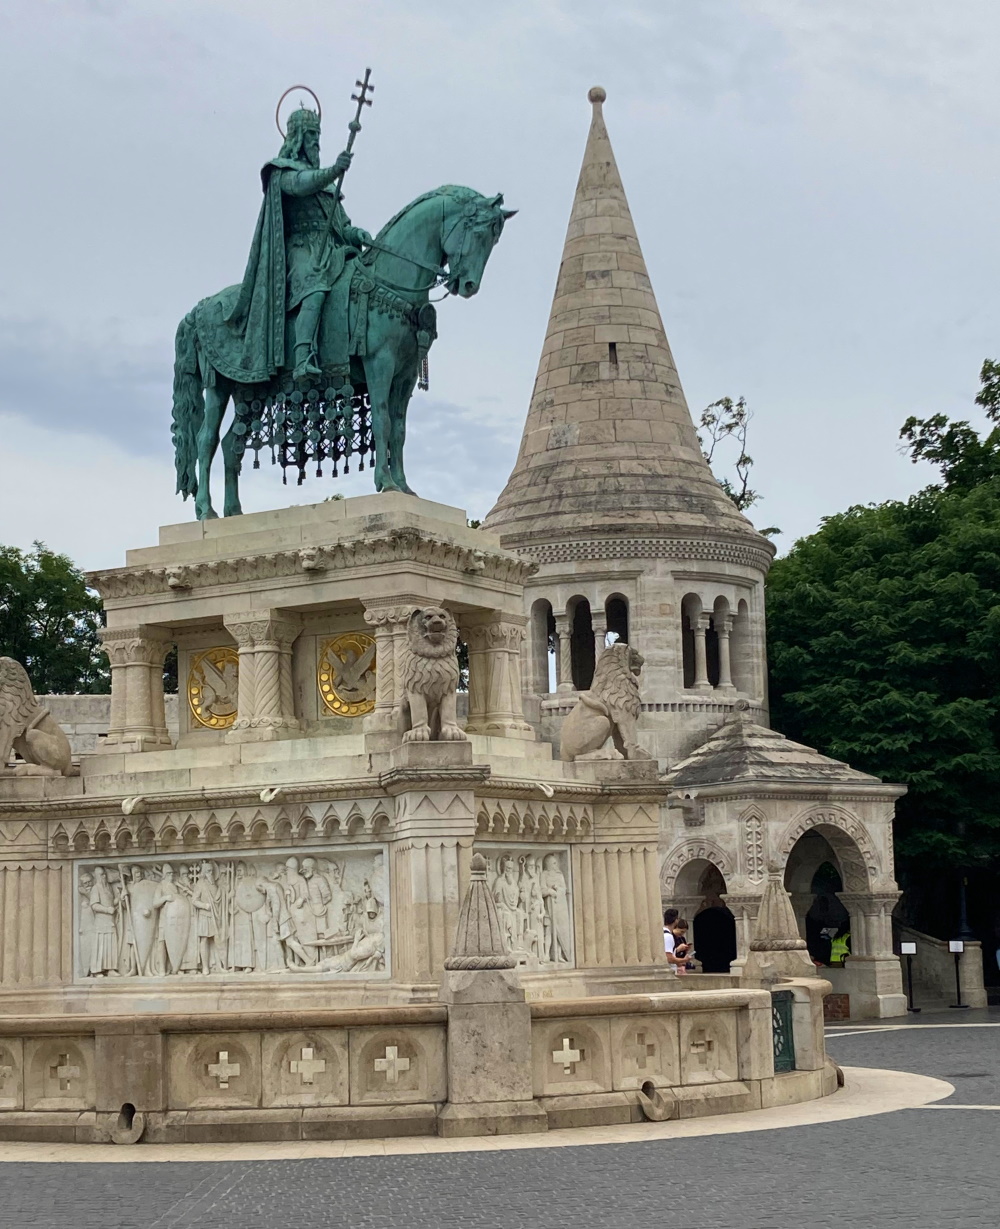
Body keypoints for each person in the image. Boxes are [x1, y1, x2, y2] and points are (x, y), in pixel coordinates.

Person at [226, 105, 373, 380]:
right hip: (301, 250)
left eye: (318, 135)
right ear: (296, 138)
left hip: (333, 249)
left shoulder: (328, 186)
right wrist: (333, 170)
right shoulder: (282, 172)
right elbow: (302, 185)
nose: (316, 141)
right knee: (315, 287)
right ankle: (304, 356)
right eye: (310, 135)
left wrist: (357, 234)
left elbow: (342, 225)